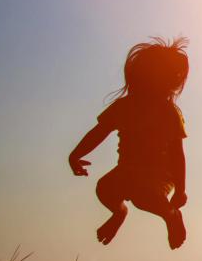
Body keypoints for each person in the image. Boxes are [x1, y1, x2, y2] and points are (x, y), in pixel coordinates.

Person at [68, 37, 190, 249]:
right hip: (127, 170)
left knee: (144, 197)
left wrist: (180, 190)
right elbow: (99, 132)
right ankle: (119, 212)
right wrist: (75, 155)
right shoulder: (125, 106)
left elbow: (177, 154)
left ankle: (171, 215)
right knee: (104, 189)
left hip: (160, 174)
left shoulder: (168, 112)